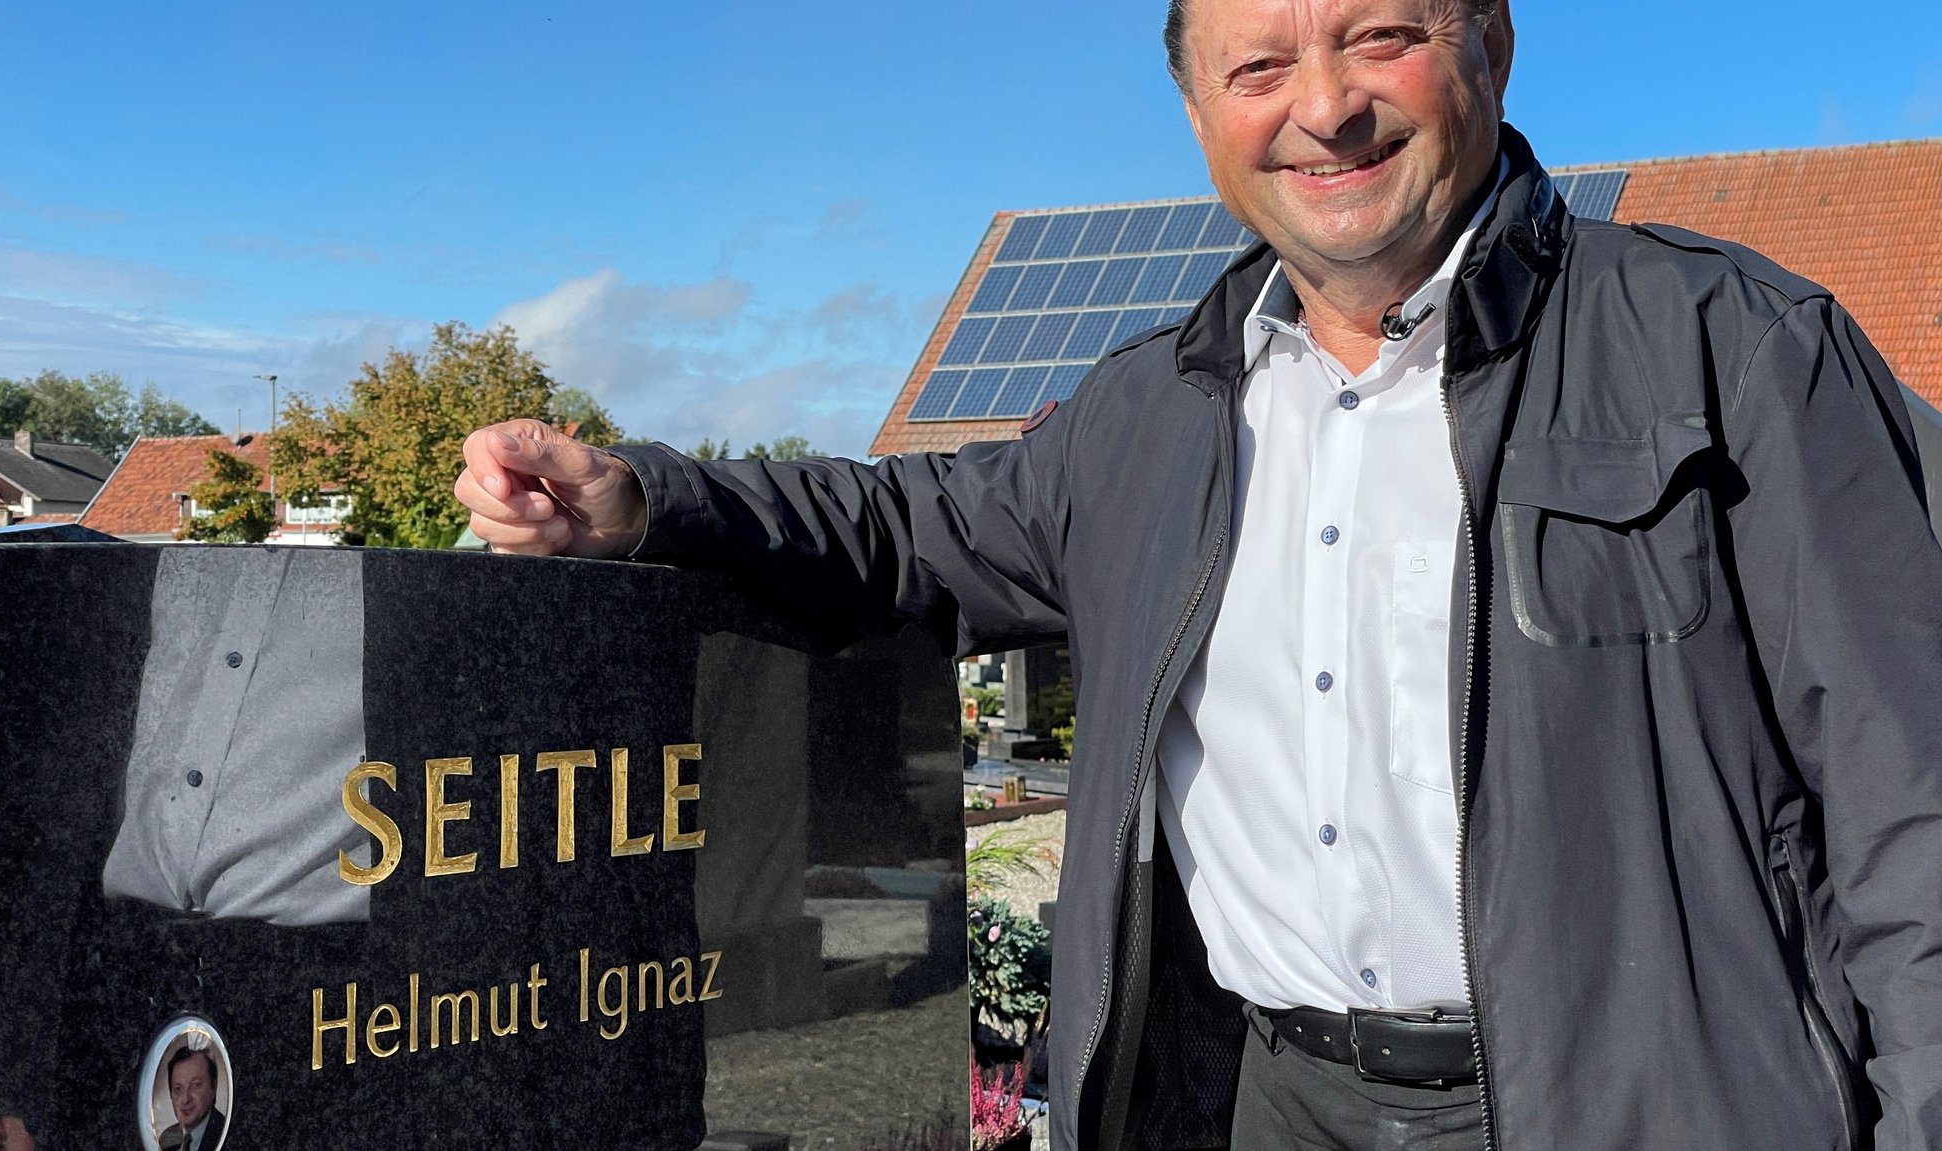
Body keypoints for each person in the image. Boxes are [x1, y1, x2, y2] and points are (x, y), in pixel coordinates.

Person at [454, 0, 1942, 1147]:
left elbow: (1917, 818)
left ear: (1488, 42)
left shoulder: (1740, 353)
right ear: (1194, 111)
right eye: (1258, 67)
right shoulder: (1144, 418)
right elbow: (903, 527)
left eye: (1382, 37)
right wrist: (643, 498)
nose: (1326, 109)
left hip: (1639, 1105)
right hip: (1252, 1099)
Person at [156, 1047, 226, 1151]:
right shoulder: (166, 1141)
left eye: (196, 1085)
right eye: (178, 1089)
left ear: (213, 1087)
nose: (185, 1099)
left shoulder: (227, 1133)